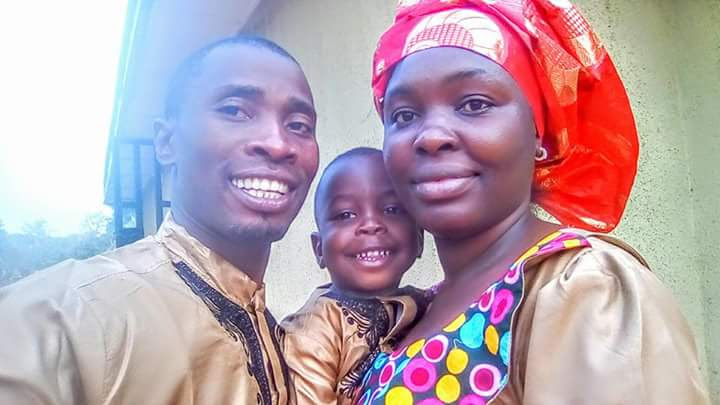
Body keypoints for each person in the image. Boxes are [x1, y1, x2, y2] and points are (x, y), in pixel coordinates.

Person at [354, 1, 710, 404]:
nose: (431, 136)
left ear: (540, 134)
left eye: (474, 104)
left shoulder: (585, 289)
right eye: (403, 115)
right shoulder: (415, 313)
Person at [0, 35, 318, 405]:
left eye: (299, 125)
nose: (278, 143)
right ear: (166, 142)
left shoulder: (280, 336)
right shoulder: (65, 318)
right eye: (235, 110)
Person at [282, 147, 428, 405]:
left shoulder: (428, 305)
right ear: (319, 249)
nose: (371, 224)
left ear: (419, 238)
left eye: (392, 209)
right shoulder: (312, 330)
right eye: (346, 215)